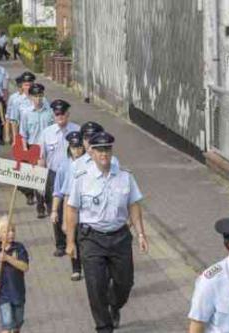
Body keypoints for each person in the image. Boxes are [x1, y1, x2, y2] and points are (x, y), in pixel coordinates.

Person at [66, 131, 149, 333]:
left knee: (125, 283)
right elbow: (72, 209)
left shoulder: (125, 176)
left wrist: (140, 234)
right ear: (91, 152)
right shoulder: (81, 178)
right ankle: (104, 327)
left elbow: (134, 205)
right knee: (95, 286)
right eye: (100, 150)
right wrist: (70, 241)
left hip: (119, 236)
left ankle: (114, 303)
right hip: (91, 238)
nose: (104, 154)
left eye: (107, 149)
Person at [38, 99, 80, 255]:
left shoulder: (77, 130)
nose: (60, 116)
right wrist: (40, 180)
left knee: (73, 207)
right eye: (57, 114)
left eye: (63, 113)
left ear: (68, 114)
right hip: (54, 174)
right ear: (53, 115)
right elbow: (41, 158)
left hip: (74, 174)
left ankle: (74, 239)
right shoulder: (46, 133)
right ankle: (60, 244)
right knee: (54, 208)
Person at [52, 131, 85, 281]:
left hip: (86, 207)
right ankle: (76, 268)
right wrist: (55, 212)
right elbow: (59, 191)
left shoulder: (89, 163)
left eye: (79, 147)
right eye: (74, 147)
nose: (77, 151)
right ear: (69, 148)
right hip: (71, 206)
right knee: (72, 238)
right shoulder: (65, 166)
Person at [0, 216, 29, 333]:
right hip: (3, 295)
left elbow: (25, 267)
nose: (11, 233)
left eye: (13, 230)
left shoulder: (19, 248)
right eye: (7, 231)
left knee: (17, 324)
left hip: (18, 293)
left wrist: (7, 258)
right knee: (7, 325)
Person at [19, 83, 53, 218]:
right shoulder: (26, 113)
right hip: (34, 147)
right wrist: (25, 149)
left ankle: (48, 202)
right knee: (38, 178)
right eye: (35, 96)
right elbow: (23, 134)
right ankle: (40, 204)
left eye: (40, 96)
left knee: (48, 177)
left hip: (48, 147)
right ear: (31, 97)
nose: (38, 99)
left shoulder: (50, 112)